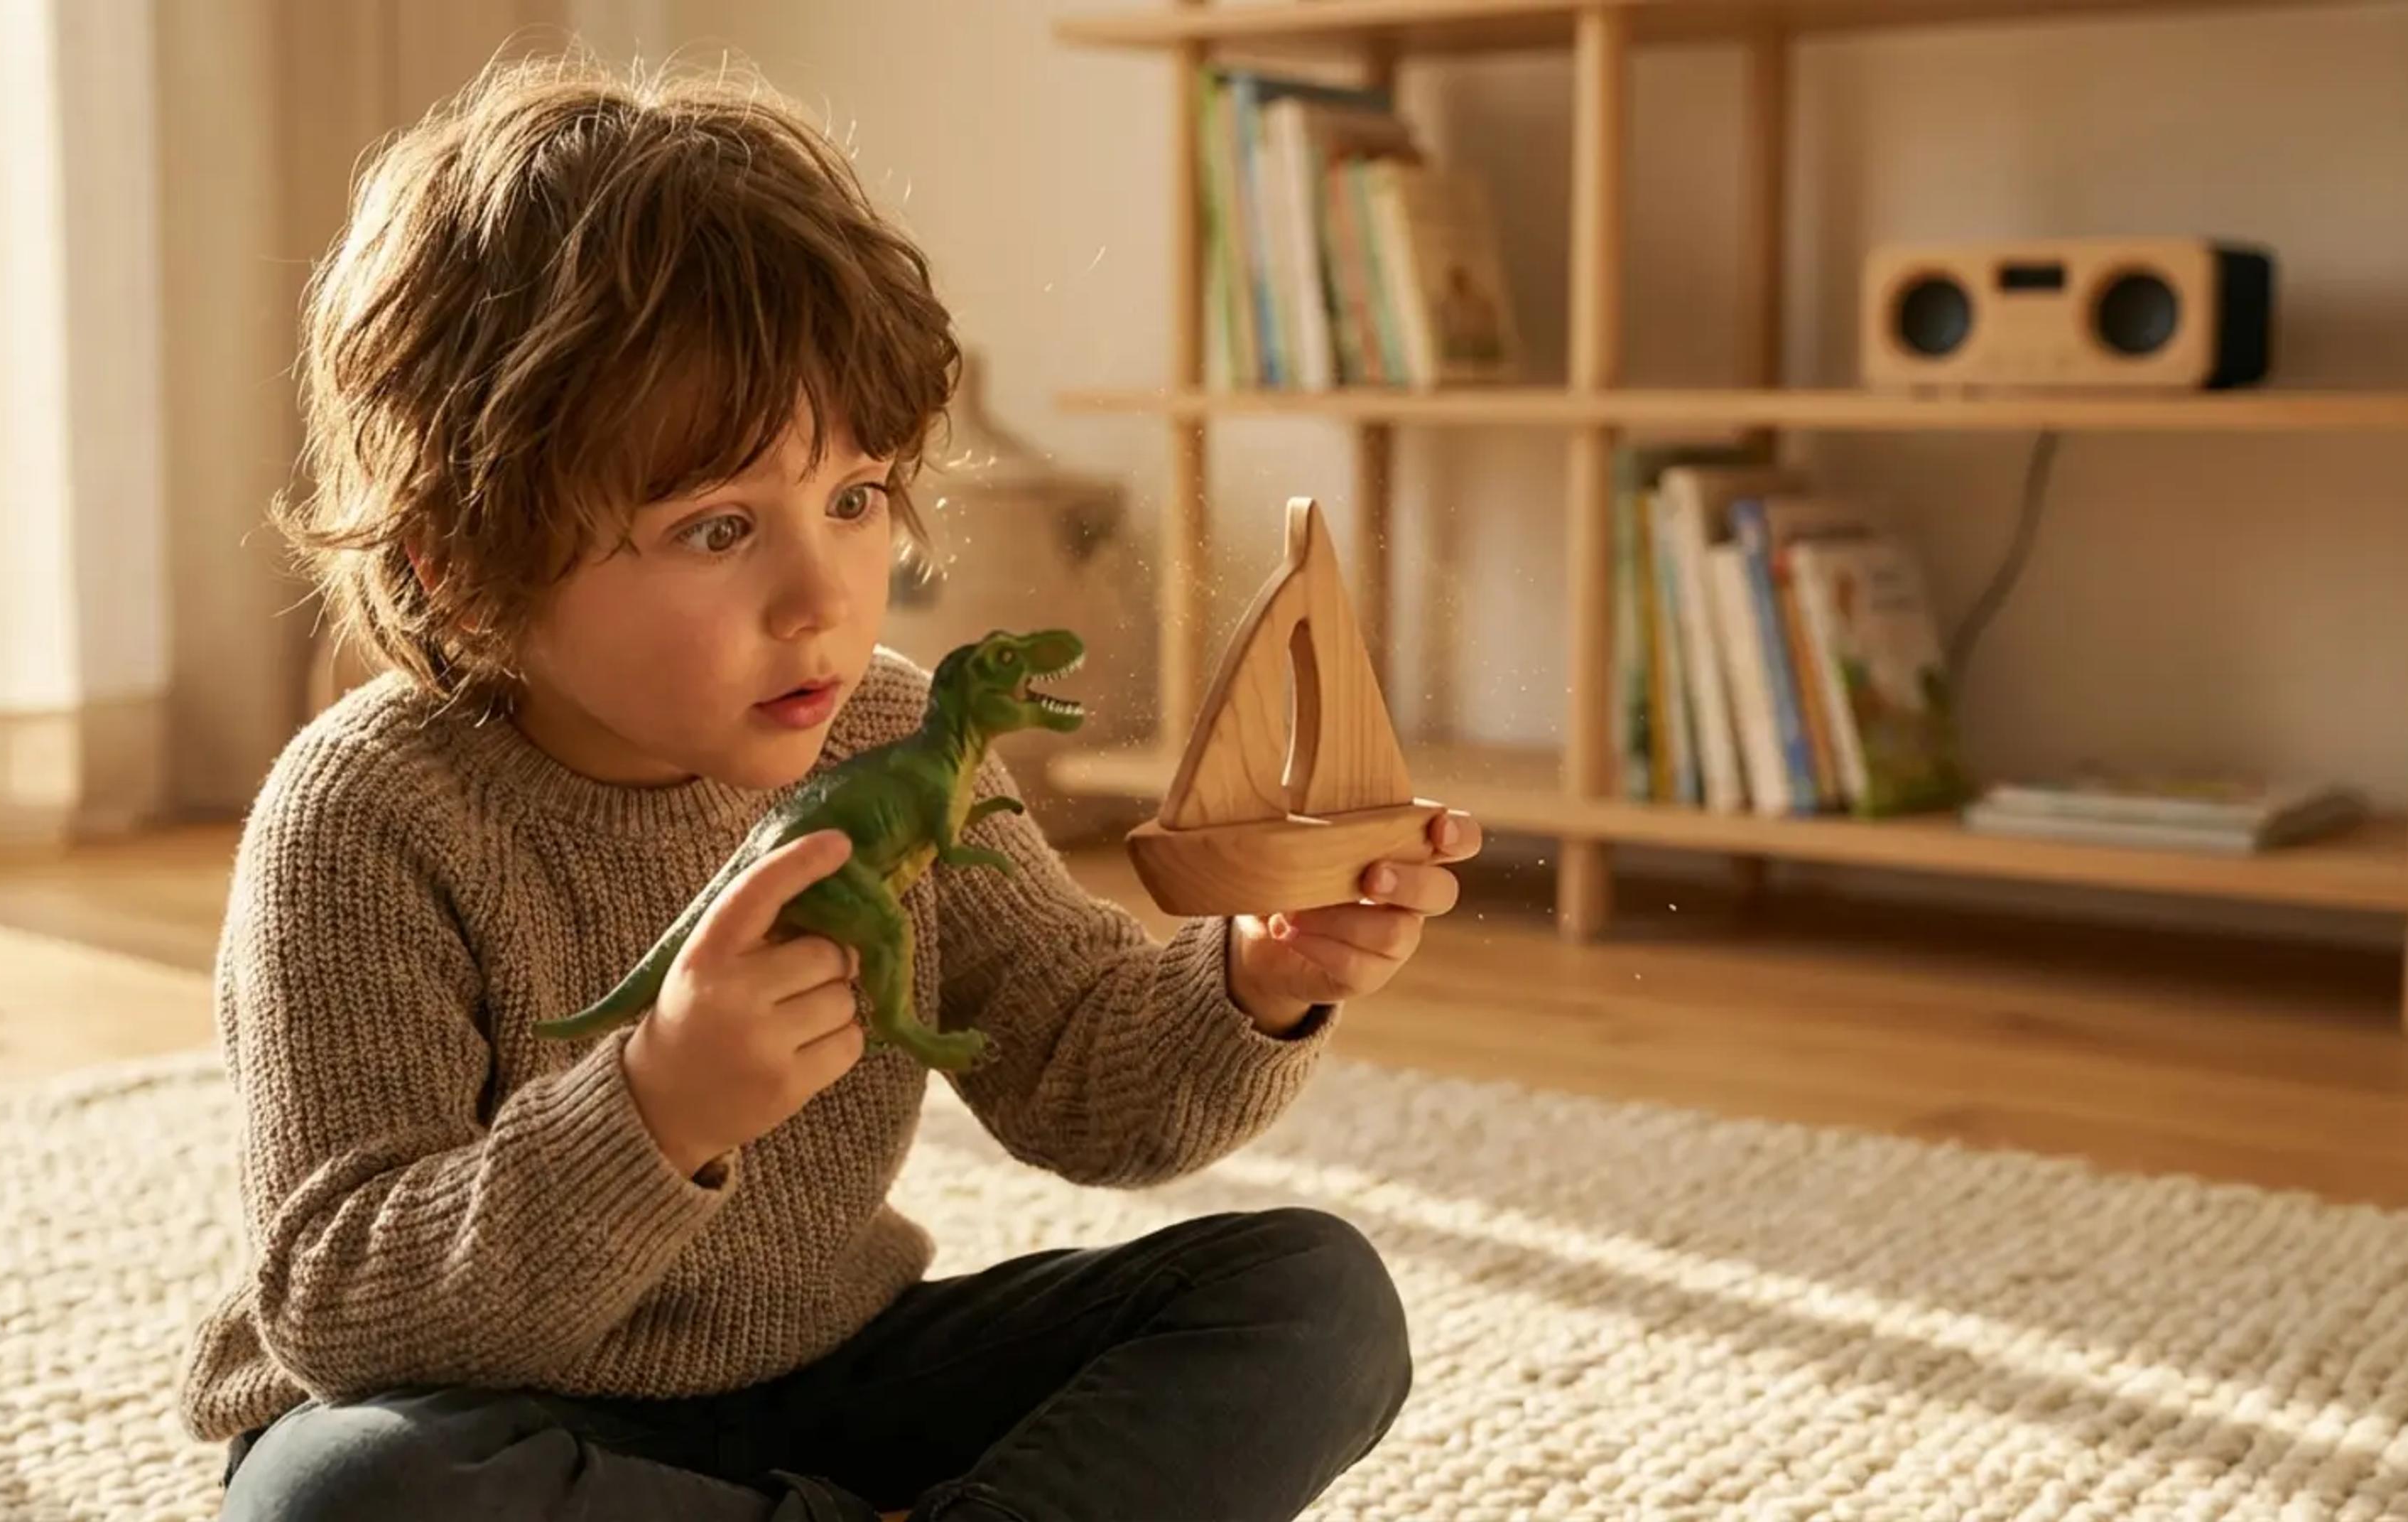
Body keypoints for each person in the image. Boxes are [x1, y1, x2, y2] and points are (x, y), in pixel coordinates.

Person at [178, 50, 1482, 1522]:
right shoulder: (363, 819)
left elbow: (1089, 1090)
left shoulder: (896, 739)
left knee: (1309, 1294)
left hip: (834, 1376)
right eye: (720, 527)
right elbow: (345, 1311)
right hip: (504, 1412)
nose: (824, 595)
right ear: (464, 572)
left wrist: (1256, 979)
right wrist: (655, 1111)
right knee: (344, 1490)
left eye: (856, 498)